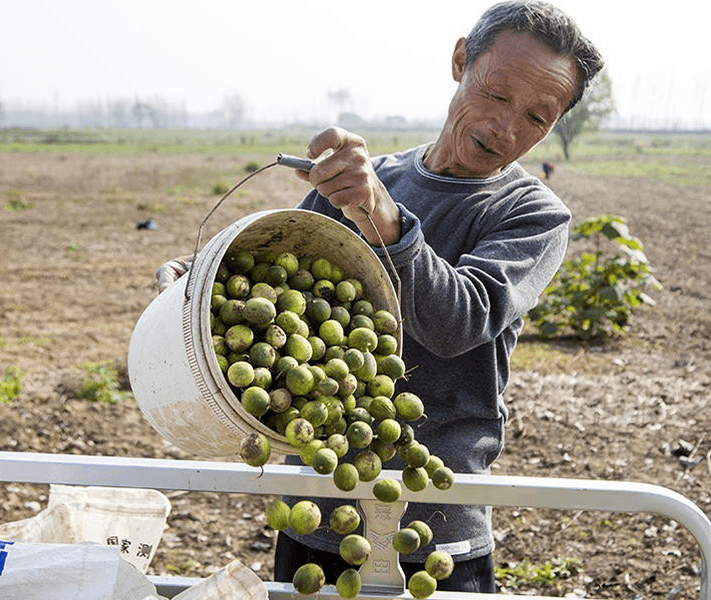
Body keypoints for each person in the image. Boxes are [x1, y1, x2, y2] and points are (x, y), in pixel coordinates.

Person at [157, 0, 603, 593]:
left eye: (536, 118)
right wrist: (199, 276)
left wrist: (386, 221)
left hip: (434, 532)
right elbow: (279, 277)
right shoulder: (365, 184)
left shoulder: (531, 215)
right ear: (460, 60)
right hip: (318, 510)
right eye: (496, 96)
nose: (506, 128)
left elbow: (457, 323)